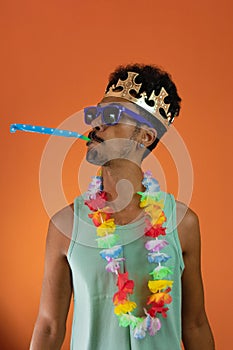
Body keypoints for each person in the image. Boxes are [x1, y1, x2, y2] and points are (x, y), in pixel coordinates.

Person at [30, 64, 215, 349]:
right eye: (96, 115)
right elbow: (49, 327)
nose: (96, 125)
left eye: (111, 116)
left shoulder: (183, 223)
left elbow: (195, 324)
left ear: (145, 136)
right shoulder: (65, 224)